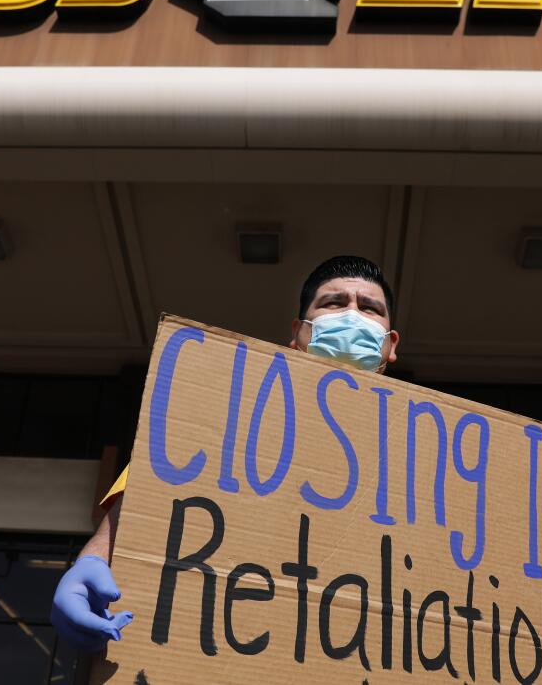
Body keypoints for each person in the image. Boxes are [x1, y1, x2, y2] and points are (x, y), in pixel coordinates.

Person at [50, 255, 400, 651]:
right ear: (299, 332)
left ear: (390, 344)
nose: (352, 315)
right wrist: (93, 561)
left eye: (369, 308)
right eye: (334, 304)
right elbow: (145, 498)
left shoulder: (422, 455)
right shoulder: (222, 413)